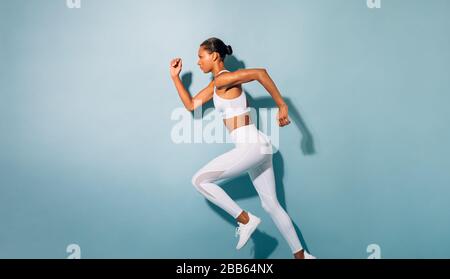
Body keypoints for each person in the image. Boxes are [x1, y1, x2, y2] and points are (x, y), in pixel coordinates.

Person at [169, 37, 315, 259]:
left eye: (201, 56)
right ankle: (302, 256)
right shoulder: (216, 84)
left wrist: (282, 105)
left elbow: (260, 74)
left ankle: (245, 220)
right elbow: (191, 105)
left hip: (252, 147)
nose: (198, 62)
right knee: (271, 205)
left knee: (199, 181)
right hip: (258, 147)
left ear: (214, 56)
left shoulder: (223, 79)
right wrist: (175, 77)